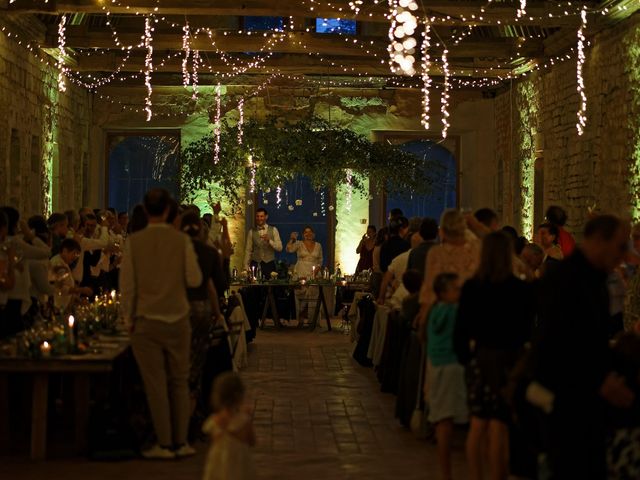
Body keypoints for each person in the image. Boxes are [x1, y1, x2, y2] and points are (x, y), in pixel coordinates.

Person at [532, 215, 635, 480]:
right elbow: (553, 349)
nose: (626, 255)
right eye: (622, 246)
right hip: (568, 411)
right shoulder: (564, 280)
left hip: (586, 408)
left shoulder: (595, 280)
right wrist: (598, 380)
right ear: (600, 240)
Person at [120, 188, 202, 459]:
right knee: (179, 381)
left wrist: (127, 319)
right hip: (178, 318)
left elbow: (128, 287)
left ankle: (164, 443)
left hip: (146, 320)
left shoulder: (134, 242)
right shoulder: (181, 242)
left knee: (154, 384)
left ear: (145, 209)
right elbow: (194, 280)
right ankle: (182, 441)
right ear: (168, 210)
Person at [454, 231, 535, 480]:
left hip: (482, 357)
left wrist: (467, 360)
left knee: (477, 423)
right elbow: (528, 329)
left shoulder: (471, 288)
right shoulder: (520, 289)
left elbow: (461, 330)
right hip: (510, 359)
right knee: (501, 424)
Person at [181, 211, 227, 421]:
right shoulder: (208, 253)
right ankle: (192, 410)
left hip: (176, 310)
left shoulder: (173, 250)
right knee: (196, 360)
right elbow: (219, 286)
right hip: (200, 311)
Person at [426, 272, 468, 480]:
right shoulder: (453, 310)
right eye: (456, 289)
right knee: (447, 419)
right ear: (444, 293)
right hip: (450, 364)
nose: (460, 292)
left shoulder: (435, 309)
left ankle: (445, 471)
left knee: (443, 417)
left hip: (437, 363)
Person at [417, 209, 481, 331]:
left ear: (442, 231)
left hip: (445, 319)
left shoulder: (437, 253)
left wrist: (423, 320)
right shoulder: (477, 249)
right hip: (474, 314)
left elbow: (430, 290)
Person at [202, 372, 256, 480]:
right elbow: (252, 441)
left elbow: (212, 439)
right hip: (239, 461)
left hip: (219, 461)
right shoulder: (244, 421)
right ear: (240, 396)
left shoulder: (214, 420)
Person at [286, 226, 323, 324]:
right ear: (303, 235)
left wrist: (317, 270)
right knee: (300, 297)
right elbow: (289, 250)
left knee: (314, 297)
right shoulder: (298, 244)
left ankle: (313, 321)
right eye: (306, 232)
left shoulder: (318, 245)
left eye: (310, 232)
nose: (308, 234)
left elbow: (320, 260)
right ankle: (300, 320)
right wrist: (292, 239)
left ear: (314, 234)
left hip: (314, 274)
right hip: (301, 272)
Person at [243, 208, 282, 279]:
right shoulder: (251, 232)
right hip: (255, 264)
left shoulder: (274, 230)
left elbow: (279, 248)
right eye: (257, 216)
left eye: (261, 216)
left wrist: (269, 240)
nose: (259, 218)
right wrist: (245, 267)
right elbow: (248, 250)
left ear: (266, 217)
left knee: (269, 288)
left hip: (269, 265)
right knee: (255, 288)